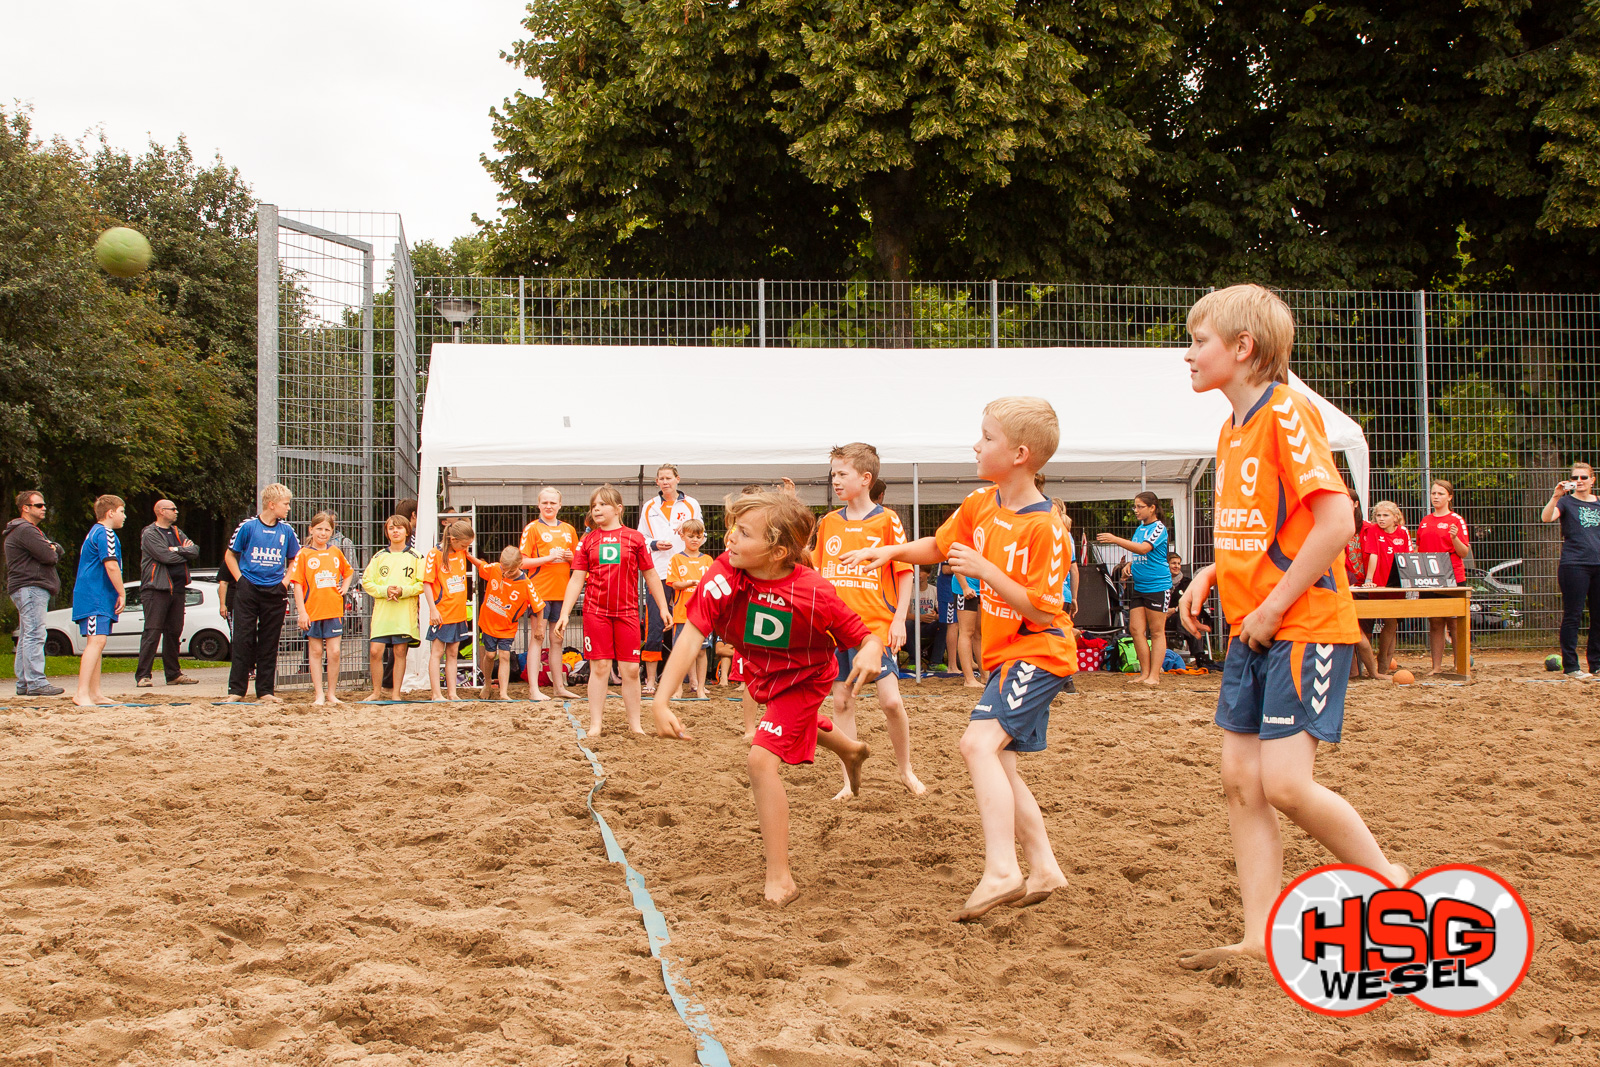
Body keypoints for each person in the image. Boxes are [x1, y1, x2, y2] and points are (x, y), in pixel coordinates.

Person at [1175, 283, 1406, 970]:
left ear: (1243, 348)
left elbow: (1337, 521)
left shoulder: (1287, 412)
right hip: (1255, 626)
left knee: (1283, 784)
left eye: (1199, 340)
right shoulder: (1232, 426)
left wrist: (1274, 604)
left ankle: (1392, 883)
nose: (1188, 355)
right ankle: (1257, 936)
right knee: (1240, 781)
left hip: (1301, 623)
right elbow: (1264, 526)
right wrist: (1212, 573)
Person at [844, 397, 1077, 922]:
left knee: (976, 744)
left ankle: (1002, 870)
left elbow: (1043, 611)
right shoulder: (982, 502)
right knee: (1000, 761)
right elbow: (939, 546)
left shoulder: (1046, 528)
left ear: (1020, 454)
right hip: (1007, 657)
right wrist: (889, 553)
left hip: (1038, 651)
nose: (976, 444)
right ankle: (1043, 868)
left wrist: (987, 571)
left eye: (987, 437)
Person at [650, 492, 876, 906]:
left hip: (804, 681)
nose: (730, 539)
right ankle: (850, 750)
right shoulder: (726, 571)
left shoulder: (814, 592)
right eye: (733, 528)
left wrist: (871, 649)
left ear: (778, 551)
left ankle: (781, 878)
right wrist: (662, 699)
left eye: (744, 533)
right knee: (787, 728)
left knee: (760, 758)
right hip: (761, 672)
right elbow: (693, 633)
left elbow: (864, 635)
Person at [813, 442, 924, 797]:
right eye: (833, 474)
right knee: (842, 701)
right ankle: (848, 781)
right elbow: (817, 572)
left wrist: (899, 620)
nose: (835, 480)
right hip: (835, 628)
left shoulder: (887, 520)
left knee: (890, 701)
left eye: (841, 474)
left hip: (875, 627)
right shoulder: (829, 522)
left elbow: (905, 571)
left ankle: (905, 770)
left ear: (865, 478)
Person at [556, 485, 673, 736]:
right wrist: (565, 612)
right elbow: (577, 579)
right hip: (595, 611)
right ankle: (595, 725)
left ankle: (635, 725)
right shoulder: (587, 540)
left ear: (618, 508)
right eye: (594, 505)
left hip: (628, 612)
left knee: (630, 669)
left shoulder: (635, 538)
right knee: (599, 668)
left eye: (603, 504)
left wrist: (663, 607)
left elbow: (651, 574)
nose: (596, 508)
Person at [222, 484, 300, 704]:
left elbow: (296, 558)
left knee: (270, 640)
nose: (288, 508)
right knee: (242, 638)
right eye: (285, 504)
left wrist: (284, 582)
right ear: (271, 504)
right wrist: (240, 580)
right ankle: (236, 690)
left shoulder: (286, 530)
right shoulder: (247, 527)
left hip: (275, 590)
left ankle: (265, 691)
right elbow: (230, 556)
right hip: (249, 589)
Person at [637, 464, 701, 693]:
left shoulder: (691, 504)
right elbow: (640, 537)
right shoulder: (650, 506)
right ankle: (651, 681)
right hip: (658, 571)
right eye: (661, 478)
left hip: (686, 572)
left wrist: (684, 534)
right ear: (657, 482)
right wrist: (654, 544)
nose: (665, 482)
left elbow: (698, 532)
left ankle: (692, 681)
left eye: (669, 478)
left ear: (677, 480)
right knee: (654, 625)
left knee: (687, 625)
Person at [1097, 492, 1173, 686]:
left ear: (1152, 508)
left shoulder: (1158, 528)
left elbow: (1143, 549)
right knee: (1136, 630)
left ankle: (1154, 675)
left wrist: (1115, 539)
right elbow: (1139, 553)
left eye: (1140, 507)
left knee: (1156, 631)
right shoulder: (1141, 528)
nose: (1136, 511)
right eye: (1135, 507)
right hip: (1139, 585)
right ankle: (1144, 672)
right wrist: (1130, 564)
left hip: (1157, 585)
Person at [519, 487, 581, 700]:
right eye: (545, 502)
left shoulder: (569, 530)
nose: (549, 506)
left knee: (557, 640)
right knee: (538, 637)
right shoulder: (532, 528)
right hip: (540, 592)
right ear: (538, 505)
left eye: (553, 503)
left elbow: (579, 563)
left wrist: (569, 557)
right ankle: (534, 689)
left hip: (562, 593)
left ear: (560, 505)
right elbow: (522, 561)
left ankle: (559, 687)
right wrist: (547, 558)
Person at [289, 511, 354, 705]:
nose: (323, 533)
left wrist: (345, 586)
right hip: (313, 611)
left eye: (327, 529)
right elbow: (297, 584)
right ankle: (318, 694)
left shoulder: (335, 552)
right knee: (315, 652)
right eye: (319, 529)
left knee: (334, 652)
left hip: (333, 610)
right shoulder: (304, 554)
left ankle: (331, 693)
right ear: (311, 529)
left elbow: (348, 571)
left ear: (332, 532)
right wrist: (302, 612)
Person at [1542, 461, 1600, 679]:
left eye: (1584, 478)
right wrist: (1556, 496)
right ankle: (1572, 666)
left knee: (1598, 616)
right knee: (1573, 615)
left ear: (1592, 480)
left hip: (1598, 564)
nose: (1579, 482)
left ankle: (1596, 664)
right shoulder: (1566, 502)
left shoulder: (1598, 503)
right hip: (1574, 564)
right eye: (1575, 478)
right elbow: (1546, 517)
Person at [135, 499, 201, 689]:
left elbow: (195, 550)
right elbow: (165, 556)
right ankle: (143, 675)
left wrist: (177, 549)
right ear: (161, 511)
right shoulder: (150, 533)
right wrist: (182, 552)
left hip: (178, 589)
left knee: (174, 632)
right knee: (153, 631)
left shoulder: (176, 532)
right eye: (173, 509)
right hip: (156, 589)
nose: (176, 512)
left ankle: (173, 674)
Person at [4, 490, 64, 697]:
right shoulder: (26, 530)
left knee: (27, 634)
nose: (44, 508)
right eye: (39, 505)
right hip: (31, 586)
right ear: (25, 508)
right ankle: (36, 681)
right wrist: (51, 548)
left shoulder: (27, 531)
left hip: (26, 587)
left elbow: (57, 550)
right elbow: (49, 555)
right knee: (35, 633)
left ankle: (24, 683)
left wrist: (52, 548)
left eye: (44, 504)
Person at [71, 495, 126, 707]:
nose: (124, 516)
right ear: (110, 512)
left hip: (97, 595)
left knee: (98, 641)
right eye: (122, 511)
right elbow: (111, 565)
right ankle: (82, 692)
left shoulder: (97, 532)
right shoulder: (105, 533)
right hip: (95, 595)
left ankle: (94, 693)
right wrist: (121, 592)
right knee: (96, 641)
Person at [470, 544, 544, 700]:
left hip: (507, 627)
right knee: (490, 655)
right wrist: (466, 555)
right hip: (489, 623)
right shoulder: (496, 569)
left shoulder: (526, 583)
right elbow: (481, 565)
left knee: (504, 655)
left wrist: (540, 628)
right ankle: (487, 684)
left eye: (510, 571)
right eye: (504, 570)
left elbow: (539, 605)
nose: (506, 574)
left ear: (520, 565)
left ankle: (503, 692)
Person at [362, 514, 423, 701]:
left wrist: (403, 590)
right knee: (375, 651)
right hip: (383, 611)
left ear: (407, 531)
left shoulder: (416, 557)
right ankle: (376, 692)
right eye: (391, 528)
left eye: (399, 527)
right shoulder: (379, 556)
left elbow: (422, 584)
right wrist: (385, 590)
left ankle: (396, 693)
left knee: (399, 651)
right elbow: (367, 581)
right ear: (387, 532)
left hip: (404, 613)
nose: (395, 531)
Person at [1416, 479, 1471, 675]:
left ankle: (1459, 663)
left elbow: (1464, 552)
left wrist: (1455, 538)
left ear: (1449, 496)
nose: (1436, 497)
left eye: (1440, 493)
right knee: (1435, 622)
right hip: (1430, 578)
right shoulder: (1425, 521)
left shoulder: (1456, 520)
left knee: (1454, 621)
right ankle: (1436, 667)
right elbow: (1419, 551)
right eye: (1433, 493)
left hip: (1452, 577)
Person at [423, 519, 475, 701]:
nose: (466, 547)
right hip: (443, 611)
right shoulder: (434, 554)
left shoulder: (460, 553)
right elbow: (427, 584)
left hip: (458, 611)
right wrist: (433, 609)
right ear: (452, 539)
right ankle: (436, 693)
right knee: (437, 652)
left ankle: (452, 693)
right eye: (464, 544)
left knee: (453, 653)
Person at [1360, 500, 1411, 679]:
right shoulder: (1373, 530)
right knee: (1373, 622)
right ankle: (1377, 665)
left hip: (1397, 585)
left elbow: (1407, 558)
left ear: (1395, 518)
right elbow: (1373, 555)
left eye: (1385, 515)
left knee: (1392, 624)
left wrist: (1408, 580)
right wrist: (1369, 579)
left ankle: (1384, 665)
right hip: (1378, 583)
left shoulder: (1403, 532)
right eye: (1378, 516)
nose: (1381, 519)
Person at [665, 519, 713, 699]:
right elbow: (674, 583)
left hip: (702, 614)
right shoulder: (677, 559)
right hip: (682, 614)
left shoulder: (708, 560)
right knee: (680, 652)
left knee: (701, 651)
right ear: (682, 536)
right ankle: (678, 689)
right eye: (691, 536)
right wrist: (691, 583)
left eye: (698, 536)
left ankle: (700, 688)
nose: (695, 540)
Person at [1343, 492, 1381, 681]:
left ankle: (1370, 672)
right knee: (1351, 634)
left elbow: (1373, 553)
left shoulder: (1368, 528)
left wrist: (1369, 579)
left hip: (1363, 585)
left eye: (1347, 501)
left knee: (1363, 633)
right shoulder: (1338, 524)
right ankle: (1354, 672)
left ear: (1356, 504)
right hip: (1344, 586)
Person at [1167, 552, 1220, 671]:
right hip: (1167, 618)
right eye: (1173, 563)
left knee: (1187, 617)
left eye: (1179, 563)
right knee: (1183, 617)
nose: (1177, 566)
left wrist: (1177, 609)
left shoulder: (1188, 582)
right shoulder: (1161, 583)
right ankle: (1199, 655)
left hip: (1185, 617)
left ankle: (1180, 638)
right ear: (1167, 565)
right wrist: (1175, 610)